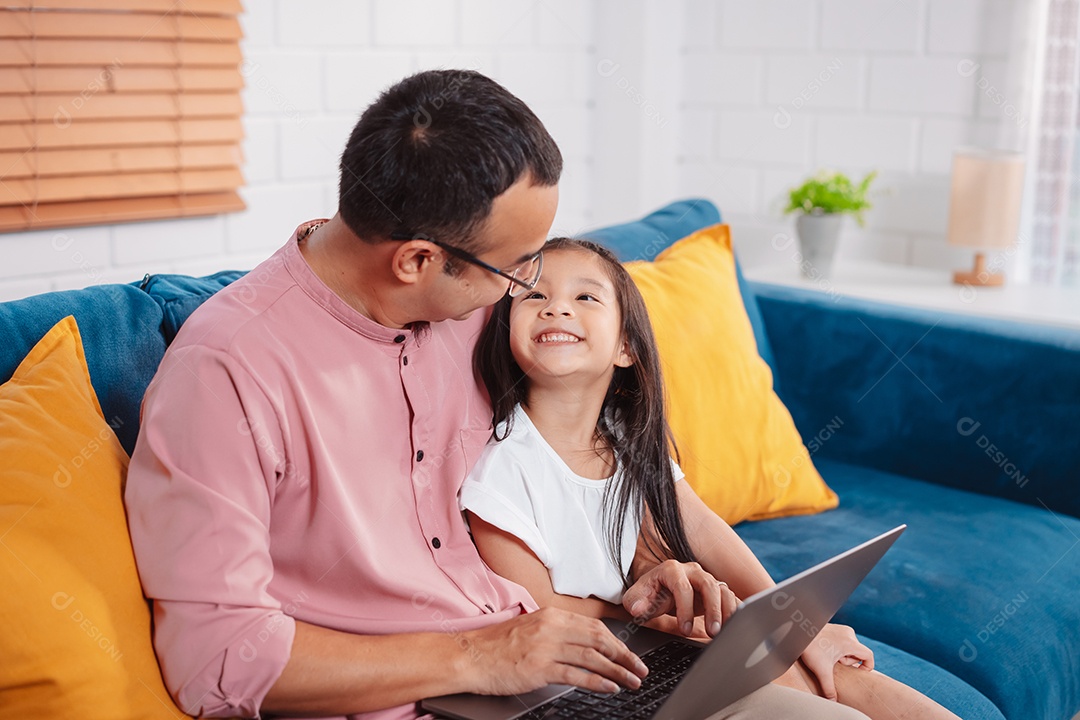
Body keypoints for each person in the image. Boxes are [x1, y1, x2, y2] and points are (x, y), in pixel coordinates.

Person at [124, 69, 871, 720]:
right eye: (517, 272)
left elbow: (589, 448)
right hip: (425, 698)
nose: (528, 294)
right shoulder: (227, 373)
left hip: (564, 655)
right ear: (418, 260)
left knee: (845, 697)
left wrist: (642, 579)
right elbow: (215, 656)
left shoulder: (468, 311)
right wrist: (479, 658)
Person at [462, 238, 962, 720]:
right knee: (804, 685)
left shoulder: (625, 439)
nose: (555, 308)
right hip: (588, 665)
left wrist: (795, 622)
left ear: (626, 348)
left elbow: (702, 527)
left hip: (648, 641)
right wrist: (654, 618)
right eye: (534, 295)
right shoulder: (501, 465)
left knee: (831, 671)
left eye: (585, 296)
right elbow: (535, 609)